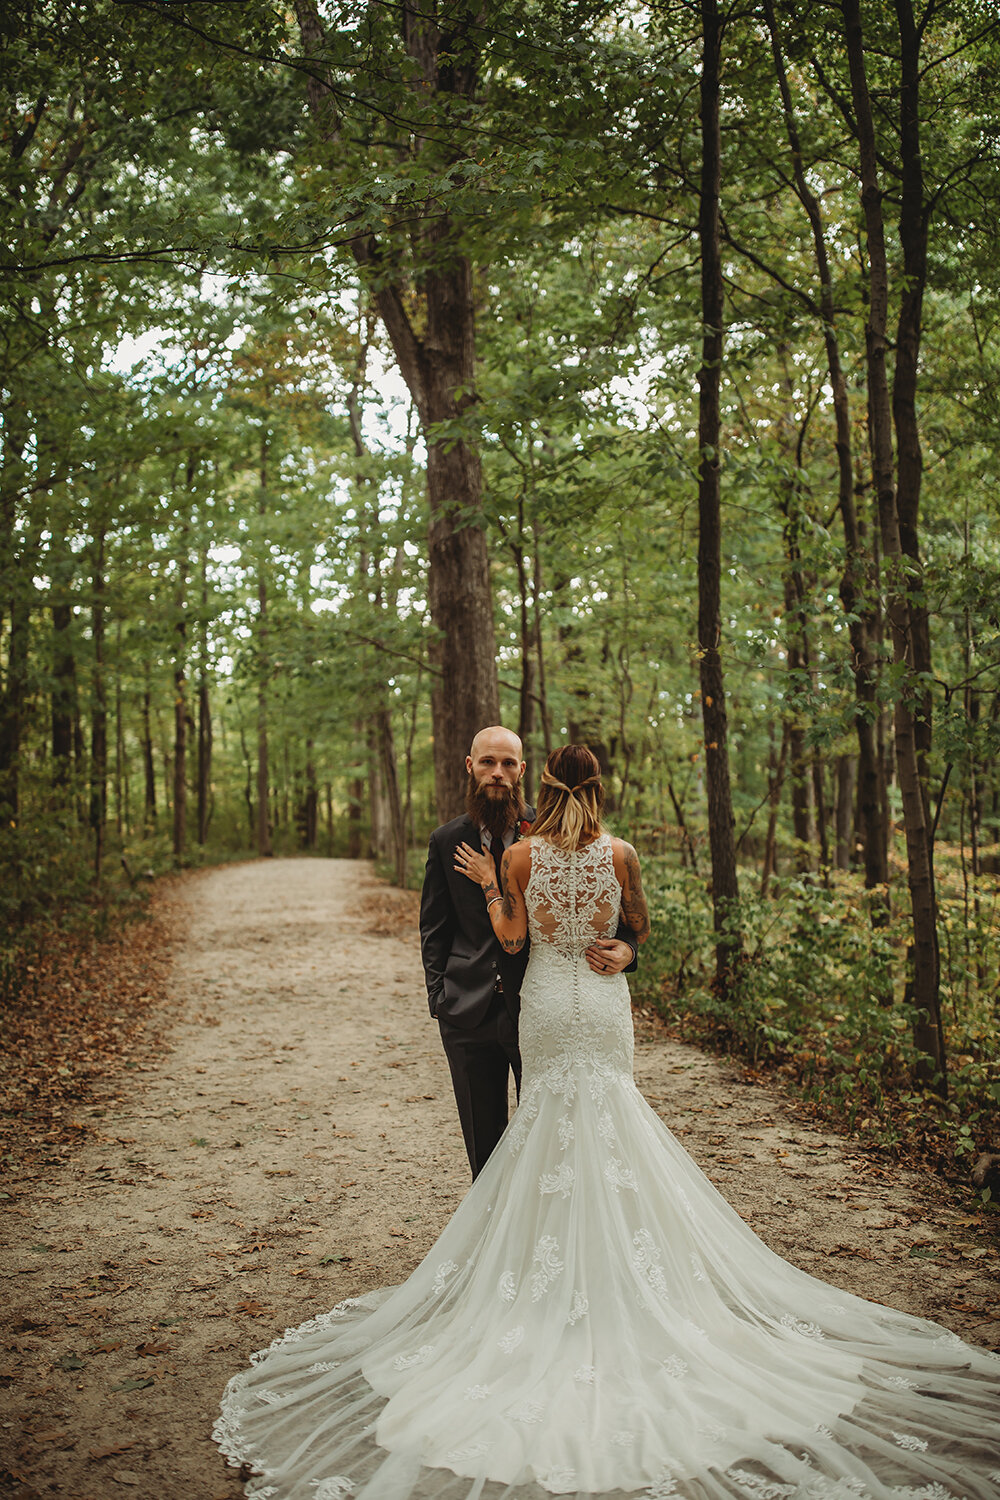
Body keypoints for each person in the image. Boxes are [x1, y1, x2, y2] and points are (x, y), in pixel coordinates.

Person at [215, 745, 1000, 1500]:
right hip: (603, 1009)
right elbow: (638, 925)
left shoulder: (521, 856)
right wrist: (621, 954)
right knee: (612, 1121)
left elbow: (515, 938)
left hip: (552, 1006)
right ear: (597, 790)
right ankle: (627, 1279)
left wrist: (492, 885)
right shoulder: (621, 852)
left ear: (543, 786)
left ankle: (535, 1289)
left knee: (545, 1129)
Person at [419, 724, 637, 1178]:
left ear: (522, 770)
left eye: (506, 764)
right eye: (487, 763)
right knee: (485, 1142)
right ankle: (493, 1241)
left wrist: (629, 952)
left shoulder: (558, 831)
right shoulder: (446, 840)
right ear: (470, 766)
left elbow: (609, 915)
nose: (496, 773)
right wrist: (440, 998)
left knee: (554, 1135)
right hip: (468, 1010)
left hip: (539, 1006)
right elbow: (434, 930)